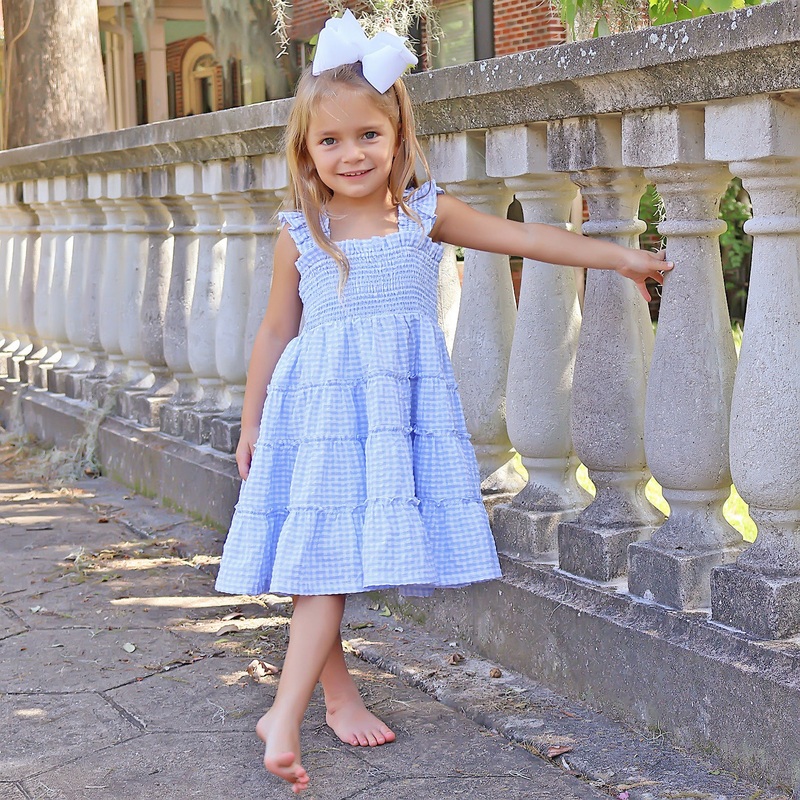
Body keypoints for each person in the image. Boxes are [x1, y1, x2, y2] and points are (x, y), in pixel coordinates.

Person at [214, 10, 672, 794]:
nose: (350, 154)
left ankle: (302, 704)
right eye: (330, 141)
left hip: (390, 416)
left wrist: (620, 255)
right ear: (305, 151)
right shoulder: (304, 229)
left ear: (397, 139)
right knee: (318, 560)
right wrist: (253, 422)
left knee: (325, 560)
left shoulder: (426, 216)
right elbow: (272, 333)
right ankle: (293, 712)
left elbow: (532, 239)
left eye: (367, 136)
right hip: (315, 414)